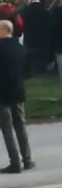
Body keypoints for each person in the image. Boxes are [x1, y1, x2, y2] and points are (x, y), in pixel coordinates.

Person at [0, 20, 34, 174]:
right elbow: (28, 72)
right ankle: (27, 159)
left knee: (7, 128)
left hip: (2, 93)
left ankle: (15, 163)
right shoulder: (21, 49)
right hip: (18, 91)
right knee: (20, 125)